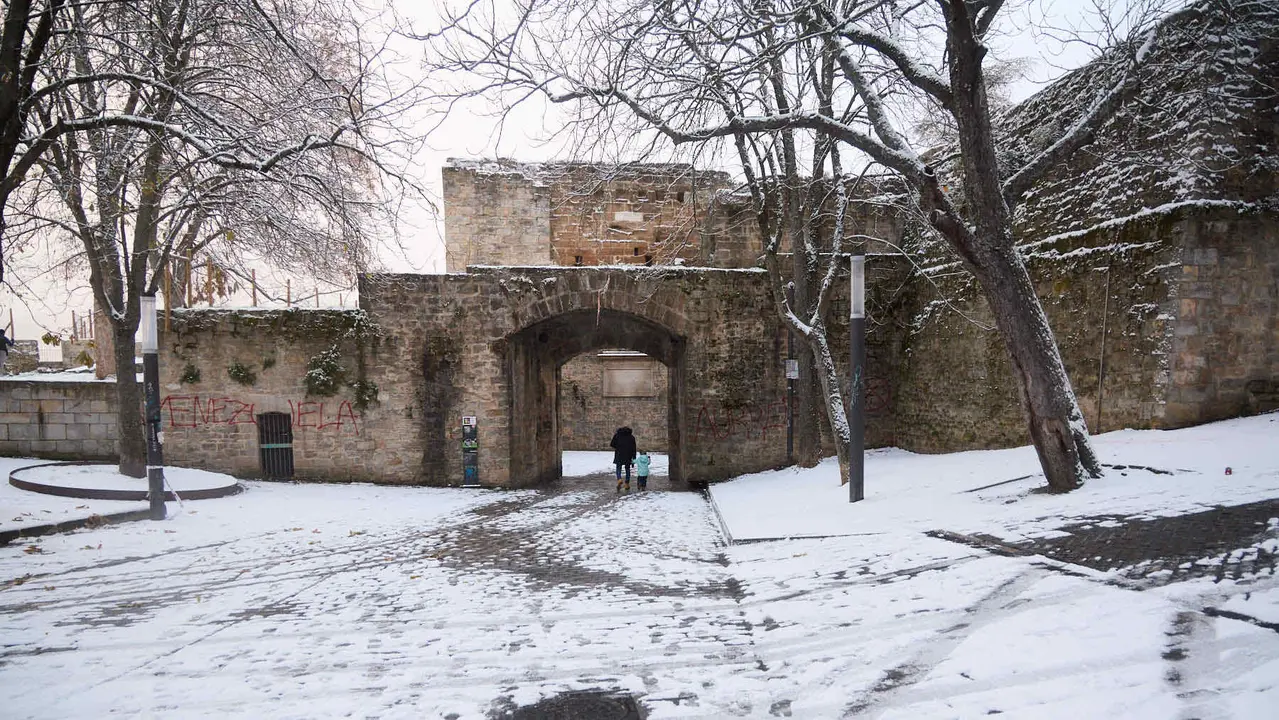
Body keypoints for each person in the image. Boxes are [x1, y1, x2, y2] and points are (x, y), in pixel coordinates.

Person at [610, 426, 636, 493]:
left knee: (618, 468)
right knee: (627, 469)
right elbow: (634, 448)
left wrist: (618, 447)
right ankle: (627, 484)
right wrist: (634, 457)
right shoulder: (631, 437)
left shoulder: (617, 435)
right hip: (628, 455)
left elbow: (612, 444)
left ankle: (619, 479)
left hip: (619, 454)